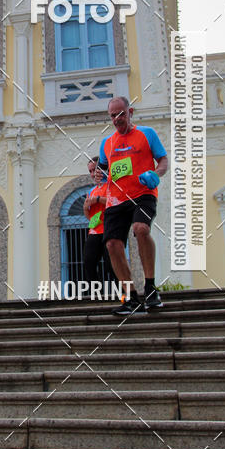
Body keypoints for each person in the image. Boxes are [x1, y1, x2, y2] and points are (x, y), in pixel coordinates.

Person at [98, 97, 168, 316]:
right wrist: (100, 185)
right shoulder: (107, 143)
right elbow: (103, 171)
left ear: (130, 112)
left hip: (143, 194)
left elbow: (163, 161)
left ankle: (150, 288)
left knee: (141, 229)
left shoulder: (146, 134)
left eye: (121, 114)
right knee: (112, 245)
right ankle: (129, 297)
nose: (117, 119)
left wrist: (155, 174)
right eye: (113, 116)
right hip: (116, 200)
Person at [82, 156, 115, 291]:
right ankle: (96, 292)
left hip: (110, 229)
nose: (92, 174)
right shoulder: (92, 190)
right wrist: (85, 208)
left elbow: (115, 201)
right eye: (90, 171)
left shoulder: (111, 185)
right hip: (94, 230)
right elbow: (89, 216)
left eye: (94, 170)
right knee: (89, 261)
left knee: (111, 264)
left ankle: (120, 292)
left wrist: (97, 199)